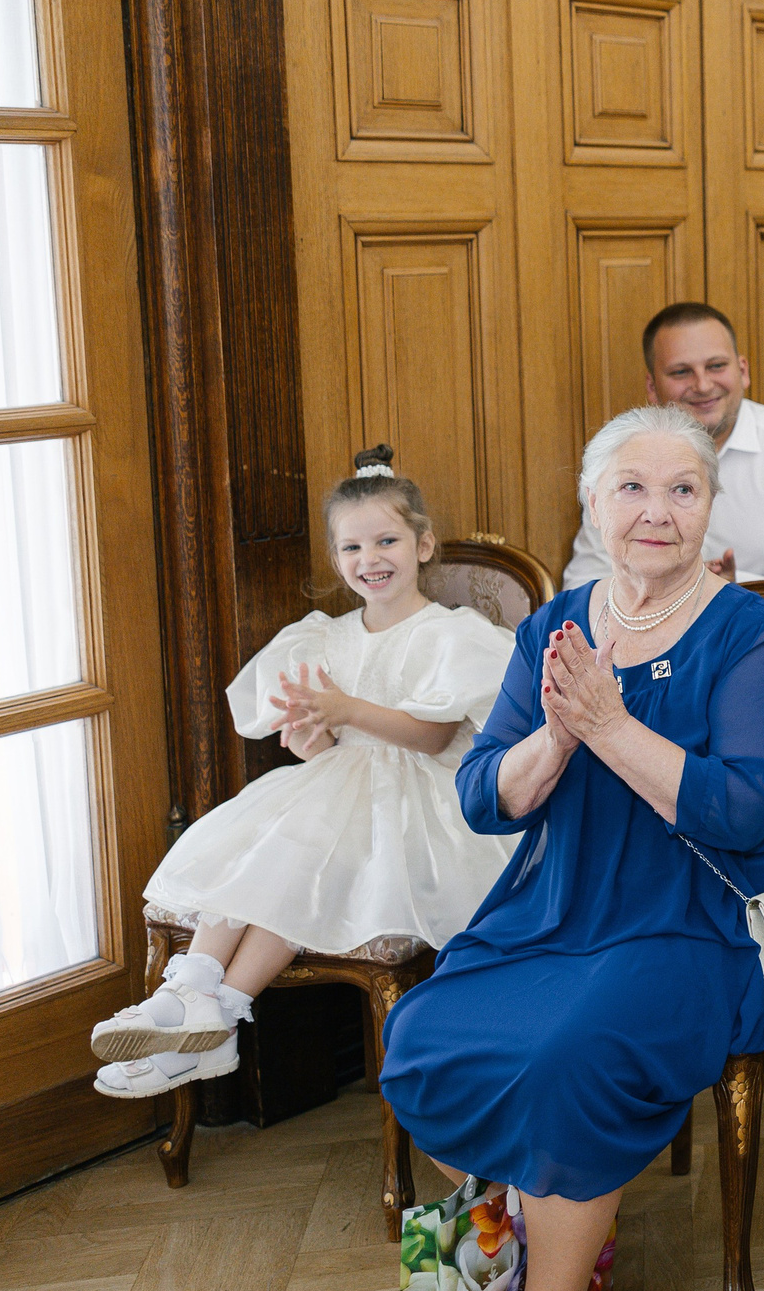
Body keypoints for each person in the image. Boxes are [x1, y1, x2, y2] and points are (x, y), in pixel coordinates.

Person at [380, 406, 764, 1291]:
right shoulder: (556, 626)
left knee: (565, 1056)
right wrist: (559, 731)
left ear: (710, 505)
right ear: (593, 504)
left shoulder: (749, 634)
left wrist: (615, 727)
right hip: (564, 899)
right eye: (632, 487)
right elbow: (478, 793)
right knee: (425, 1030)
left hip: (704, 916)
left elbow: (744, 812)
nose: (655, 511)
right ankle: (562, 1252)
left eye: (682, 488)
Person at [91, 446, 514, 1099]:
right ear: (335, 556)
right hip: (348, 792)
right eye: (351, 547)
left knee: (302, 857)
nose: (369, 559)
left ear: (423, 544)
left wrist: (344, 708)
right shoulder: (327, 635)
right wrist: (314, 735)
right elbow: (322, 750)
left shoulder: (447, 633)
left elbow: (429, 737)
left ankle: (213, 1010)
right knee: (275, 849)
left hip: (425, 808)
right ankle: (200, 994)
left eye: (386, 540)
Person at [563, 302, 764, 588]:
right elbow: (584, 581)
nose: (703, 385)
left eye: (716, 366)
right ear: (652, 387)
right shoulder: (620, 456)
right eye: (681, 372)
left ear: (742, 371)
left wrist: (730, 592)